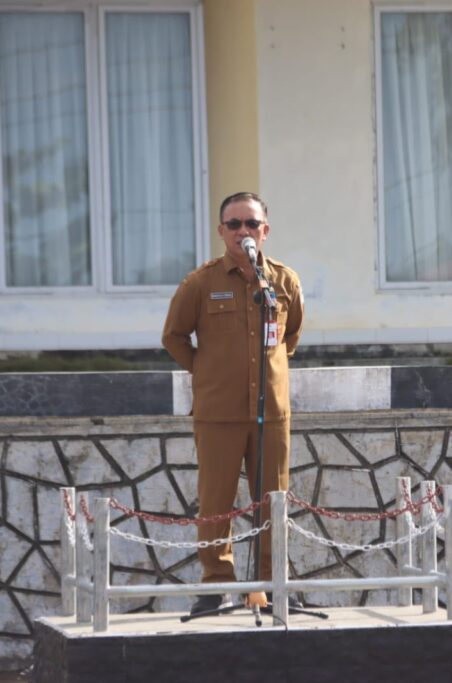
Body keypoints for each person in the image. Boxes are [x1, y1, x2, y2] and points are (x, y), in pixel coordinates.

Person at [162, 191, 304, 615]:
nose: (244, 231)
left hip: (271, 413)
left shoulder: (282, 281)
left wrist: (269, 371)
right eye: (235, 224)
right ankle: (216, 584)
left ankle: (270, 582)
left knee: (273, 497)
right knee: (216, 501)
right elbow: (173, 337)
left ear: (265, 230)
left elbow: (291, 333)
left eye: (251, 224)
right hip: (219, 413)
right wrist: (206, 373)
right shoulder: (200, 282)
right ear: (221, 231)